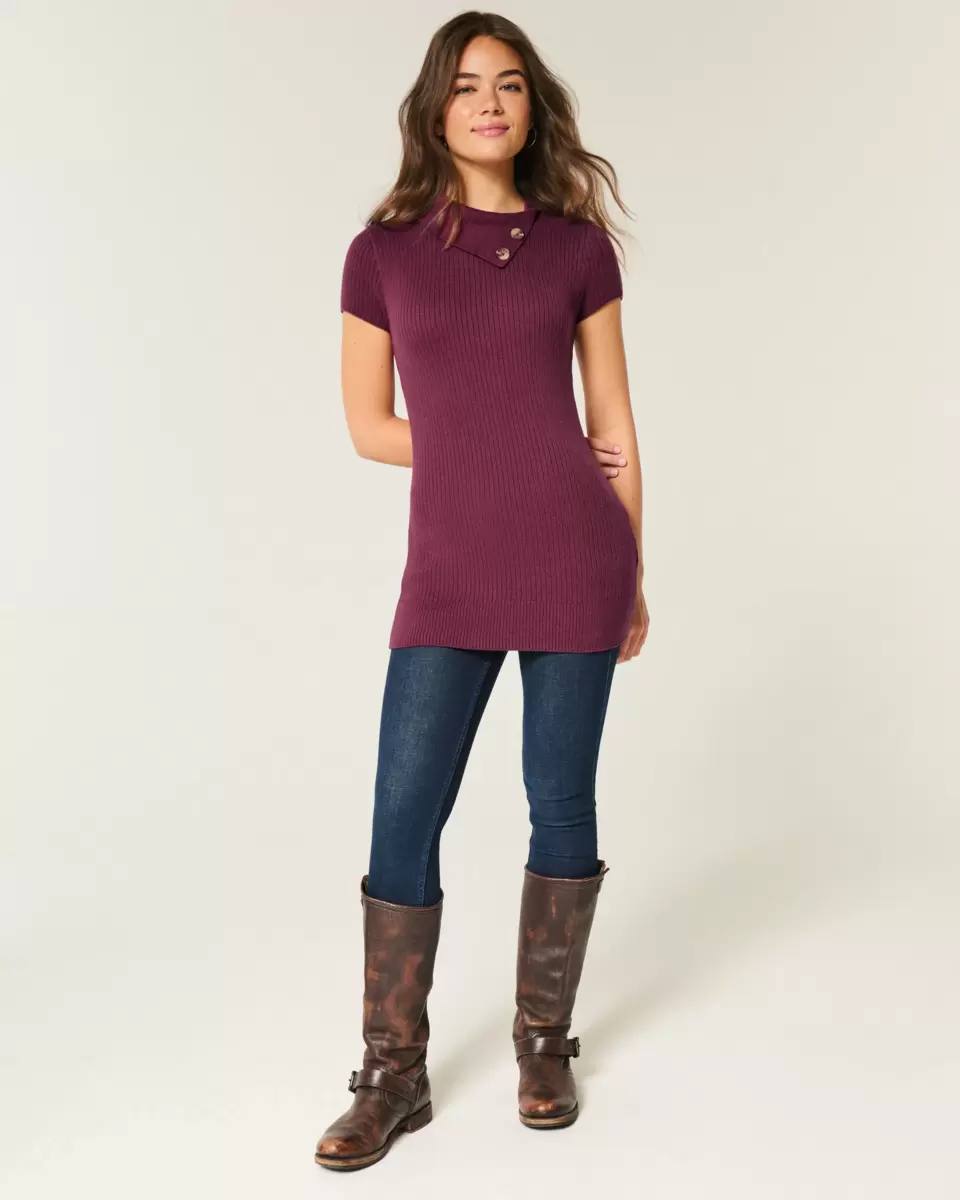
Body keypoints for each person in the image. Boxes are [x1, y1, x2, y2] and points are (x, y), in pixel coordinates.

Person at [315, 11, 650, 1171]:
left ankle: (543, 1043)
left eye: (509, 84)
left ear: (532, 106)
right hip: (451, 569)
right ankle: (391, 1072)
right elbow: (369, 426)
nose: (490, 103)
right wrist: (485, 445)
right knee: (403, 813)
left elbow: (614, 425)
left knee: (561, 801)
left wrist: (635, 570)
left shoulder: (578, 250)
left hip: (576, 556)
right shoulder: (382, 254)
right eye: (467, 86)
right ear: (435, 109)